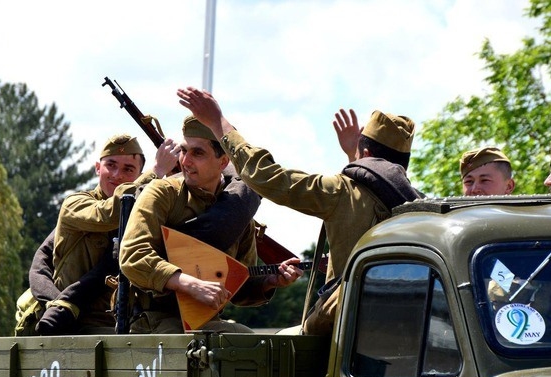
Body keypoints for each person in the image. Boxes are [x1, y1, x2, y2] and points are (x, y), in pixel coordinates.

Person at [176, 87, 423, 335]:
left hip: (344, 327)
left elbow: (266, 177)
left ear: (366, 154)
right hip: (401, 327)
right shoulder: (419, 208)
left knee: (280, 344)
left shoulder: (340, 191)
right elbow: (373, 188)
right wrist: (353, 155)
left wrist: (218, 122)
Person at [119, 115, 304, 334]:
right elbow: (132, 256)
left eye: (198, 153)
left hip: (202, 319)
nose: (185, 161)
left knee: (250, 341)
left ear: (224, 162)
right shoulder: (162, 193)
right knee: (234, 341)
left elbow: (237, 283)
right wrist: (189, 284)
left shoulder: (236, 214)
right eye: (184, 150)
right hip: (152, 319)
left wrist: (270, 280)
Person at [30, 134, 179, 335]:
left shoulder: (146, 215)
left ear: (138, 174)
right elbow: (111, 212)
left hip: (124, 323)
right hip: (75, 321)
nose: (117, 175)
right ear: (98, 168)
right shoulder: (75, 204)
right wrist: (157, 171)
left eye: (128, 169)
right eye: (111, 165)